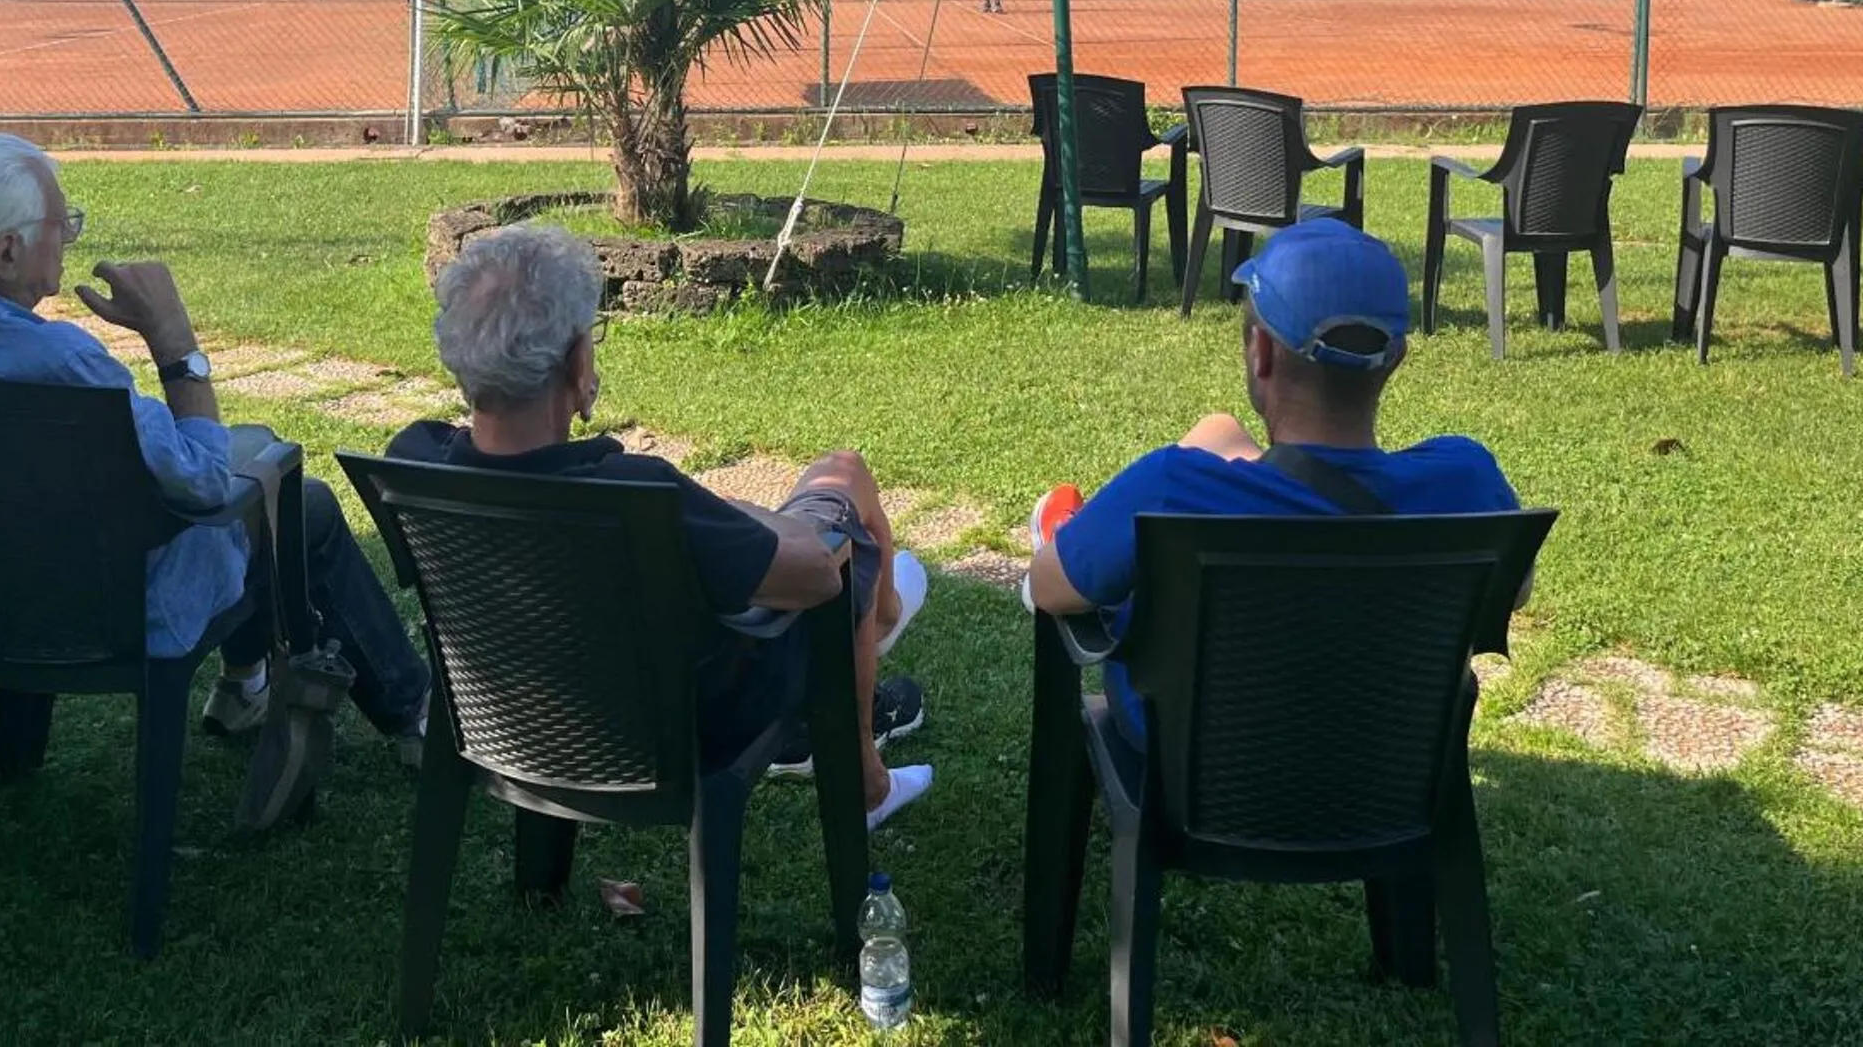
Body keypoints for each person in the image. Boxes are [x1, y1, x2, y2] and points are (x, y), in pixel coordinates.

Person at [0, 133, 429, 762]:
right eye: (60, 223)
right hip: (118, 607)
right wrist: (174, 342)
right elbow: (207, 485)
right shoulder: (61, 362)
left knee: (255, 450)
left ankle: (243, 686)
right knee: (299, 503)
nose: (68, 236)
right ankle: (411, 713)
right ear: (6, 251)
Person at [394, 224, 935, 829]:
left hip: (516, 721)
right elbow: (815, 579)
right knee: (843, 491)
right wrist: (734, 512)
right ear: (577, 363)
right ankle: (878, 643)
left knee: (834, 511)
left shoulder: (411, 461)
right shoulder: (638, 495)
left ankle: (881, 625)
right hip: (687, 729)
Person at [1024, 217, 1522, 750]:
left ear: (1260, 352)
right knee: (1221, 431)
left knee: (1200, 448)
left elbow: (1046, 591)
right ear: (1396, 359)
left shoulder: (1174, 489)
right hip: (1386, 768)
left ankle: (1077, 530)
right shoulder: (1467, 481)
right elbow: (1515, 591)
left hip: (1197, 767)